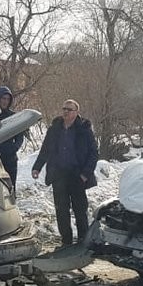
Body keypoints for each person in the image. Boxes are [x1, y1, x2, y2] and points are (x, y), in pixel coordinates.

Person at [31, 99, 98, 246]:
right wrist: (37, 167)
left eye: (69, 109)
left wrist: (85, 174)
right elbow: (45, 150)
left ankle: (83, 240)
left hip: (77, 175)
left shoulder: (84, 129)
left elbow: (93, 153)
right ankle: (66, 240)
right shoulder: (55, 128)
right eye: (64, 109)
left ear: (76, 112)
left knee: (80, 209)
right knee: (61, 210)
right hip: (59, 174)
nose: (66, 112)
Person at [0, 86, 24, 190]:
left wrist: (13, 148)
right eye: (3, 98)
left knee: (10, 187)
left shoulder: (13, 117)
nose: (5, 101)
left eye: (8, 99)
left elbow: (20, 137)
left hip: (9, 158)